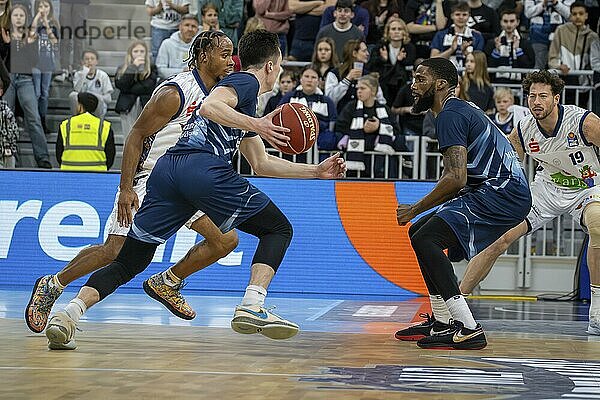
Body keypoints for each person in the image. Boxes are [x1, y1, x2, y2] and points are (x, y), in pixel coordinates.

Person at [43, 30, 346, 350]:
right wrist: (258, 124)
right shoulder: (247, 83)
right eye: (281, 66)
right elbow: (210, 106)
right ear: (271, 65)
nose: (280, 72)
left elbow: (261, 163)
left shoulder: (242, 108)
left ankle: (69, 313)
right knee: (278, 229)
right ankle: (252, 304)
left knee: (130, 262)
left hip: (168, 174)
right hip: (201, 169)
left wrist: (314, 170)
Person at [24, 31, 250, 338]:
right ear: (203, 57)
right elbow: (136, 135)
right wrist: (126, 188)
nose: (231, 61)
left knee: (226, 241)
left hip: (191, 184)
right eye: (224, 54)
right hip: (152, 179)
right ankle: (54, 284)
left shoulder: (225, 94)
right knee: (114, 251)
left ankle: (168, 282)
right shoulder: (175, 91)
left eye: (231, 54)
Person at [394, 57, 531, 350]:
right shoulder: (459, 109)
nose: (413, 86)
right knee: (419, 233)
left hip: (501, 192)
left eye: (420, 79)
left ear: (440, 85)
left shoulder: (449, 115)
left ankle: (468, 327)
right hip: (499, 190)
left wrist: (414, 208)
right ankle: (443, 321)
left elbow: (456, 178)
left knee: (427, 236)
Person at [458, 70, 600, 336]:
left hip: (587, 186)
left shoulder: (583, 122)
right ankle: (455, 305)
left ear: (556, 99)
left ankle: (597, 311)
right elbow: (506, 166)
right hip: (545, 190)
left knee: (598, 224)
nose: (536, 101)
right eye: (532, 95)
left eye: (543, 96)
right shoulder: (524, 128)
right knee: (498, 238)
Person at [2, 4, 52, 169]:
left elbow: (34, 62)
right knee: (5, 119)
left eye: (21, 15)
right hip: (7, 79)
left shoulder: (31, 36)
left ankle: (43, 158)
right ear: (11, 17)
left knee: (34, 118)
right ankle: (9, 157)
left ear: (25, 18)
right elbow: (2, 59)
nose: (18, 18)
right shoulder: (4, 33)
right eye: (15, 15)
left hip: (25, 79)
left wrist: (29, 44)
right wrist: (8, 44)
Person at [335, 73, 400, 173]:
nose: (359, 91)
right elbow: (340, 127)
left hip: (379, 161)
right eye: (358, 88)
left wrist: (379, 127)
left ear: (373, 91)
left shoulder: (384, 109)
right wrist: (362, 129)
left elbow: (396, 130)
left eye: (363, 88)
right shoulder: (350, 107)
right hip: (355, 157)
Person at [279, 64, 338, 154]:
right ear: (301, 79)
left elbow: (333, 123)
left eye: (313, 77)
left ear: (318, 81)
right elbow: (278, 116)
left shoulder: (327, 101)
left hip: (320, 149)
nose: (309, 80)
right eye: (306, 76)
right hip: (294, 145)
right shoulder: (289, 97)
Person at [548, 1, 599, 105]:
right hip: (563, 82)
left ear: (586, 15)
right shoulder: (561, 30)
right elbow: (552, 57)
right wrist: (558, 66)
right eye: (574, 14)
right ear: (570, 15)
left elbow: (594, 61)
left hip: (584, 85)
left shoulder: (592, 36)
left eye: (581, 13)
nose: (577, 17)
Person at [56, 92, 115, 171]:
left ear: (80, 106)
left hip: (68, 173)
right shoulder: (104, 126)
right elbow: (110, 155)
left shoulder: (66, 125)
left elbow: (59, 153)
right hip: (98, 174)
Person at [367, 16, 416, 104]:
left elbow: (406, 69)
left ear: (404, 32)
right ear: (388, 32)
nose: (396, 32)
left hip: (401, 84)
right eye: (393, 29)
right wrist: (382, 59)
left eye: (399, 29)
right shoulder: (380, 47)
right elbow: (371, 66)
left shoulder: (409, 48)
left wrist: (399, 61)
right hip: (384, 83)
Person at [115, 40, 158, 138]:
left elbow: (148, 87)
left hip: (144, 106)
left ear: (146, 53)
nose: (139, 54)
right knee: (128, 137)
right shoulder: (122, 68)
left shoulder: (151, 67)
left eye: (142, 51)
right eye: (136, 51)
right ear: (130, 53)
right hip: (127, 107)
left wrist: (129, 88)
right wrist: (133, 67)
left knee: (143, 138)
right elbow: (121, 85)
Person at [30, 0, 59, 135]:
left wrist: (46, 23)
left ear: (50, 8)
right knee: (36, 93)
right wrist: (37, 18)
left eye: (46, 6)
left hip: (47, 63)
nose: (43, 9)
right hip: (35, 63)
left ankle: (42, 119)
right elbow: (30, 35)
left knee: (44, 93)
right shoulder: (34, 23)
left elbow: (54, 41)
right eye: (40, 6)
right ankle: (33, 120)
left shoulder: (54, 24)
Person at [485, 8, 535, 84]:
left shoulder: (525, 43)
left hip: (519, 86)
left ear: (517, 22)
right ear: (500, 22)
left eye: (512, 21)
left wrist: (518, 50)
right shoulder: (492, 43)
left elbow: (529, 66)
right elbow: (487, 66)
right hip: (497, 86)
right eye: (505, 21)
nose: (508, 24)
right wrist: (496, 51)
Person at [430, 2, 485, 68]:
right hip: (444, 73)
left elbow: (479, 61)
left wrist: (465, 53)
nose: (461, 17)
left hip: (468, 74)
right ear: (452, 16)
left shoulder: (477, 36)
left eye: (464, 15)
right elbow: (432, 60)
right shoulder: (441, 35)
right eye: (457, 14)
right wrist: (451, 50)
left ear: (469, 16)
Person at [524, 0, 574, 69]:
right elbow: (528, 13)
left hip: (559, 35)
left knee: (558, 67)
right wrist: (543, 3)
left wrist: (556, 3)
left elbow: (570, 15)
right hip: (538, 35)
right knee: (538, 67)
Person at [69, 49, 113, 118]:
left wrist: (95, 96)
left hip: (97, 107)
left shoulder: (103, 75)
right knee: (72, 95)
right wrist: (84, 74)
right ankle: (76, 118)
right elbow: (76, 91)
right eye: (86, 59)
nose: (89, 61)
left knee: (100, 99)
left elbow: (108, 99)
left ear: (96, 61)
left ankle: (98, 121)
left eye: (92, 59)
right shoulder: (78, 74)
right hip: (82, 107)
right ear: (82, 62)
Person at [156, 14, 199, 81]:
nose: (190, 29)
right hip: (170, 82)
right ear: (180, 27)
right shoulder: (167, 44)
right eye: (187, 25)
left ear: (197, 30)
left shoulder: (198, 46)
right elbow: (161, 71)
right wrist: (182, 71)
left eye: (193, 26)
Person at [0, 79, 18, 168]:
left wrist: (10, 149)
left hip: (6, 154)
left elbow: (14, 133)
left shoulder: (7, 112)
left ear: (1, 92)